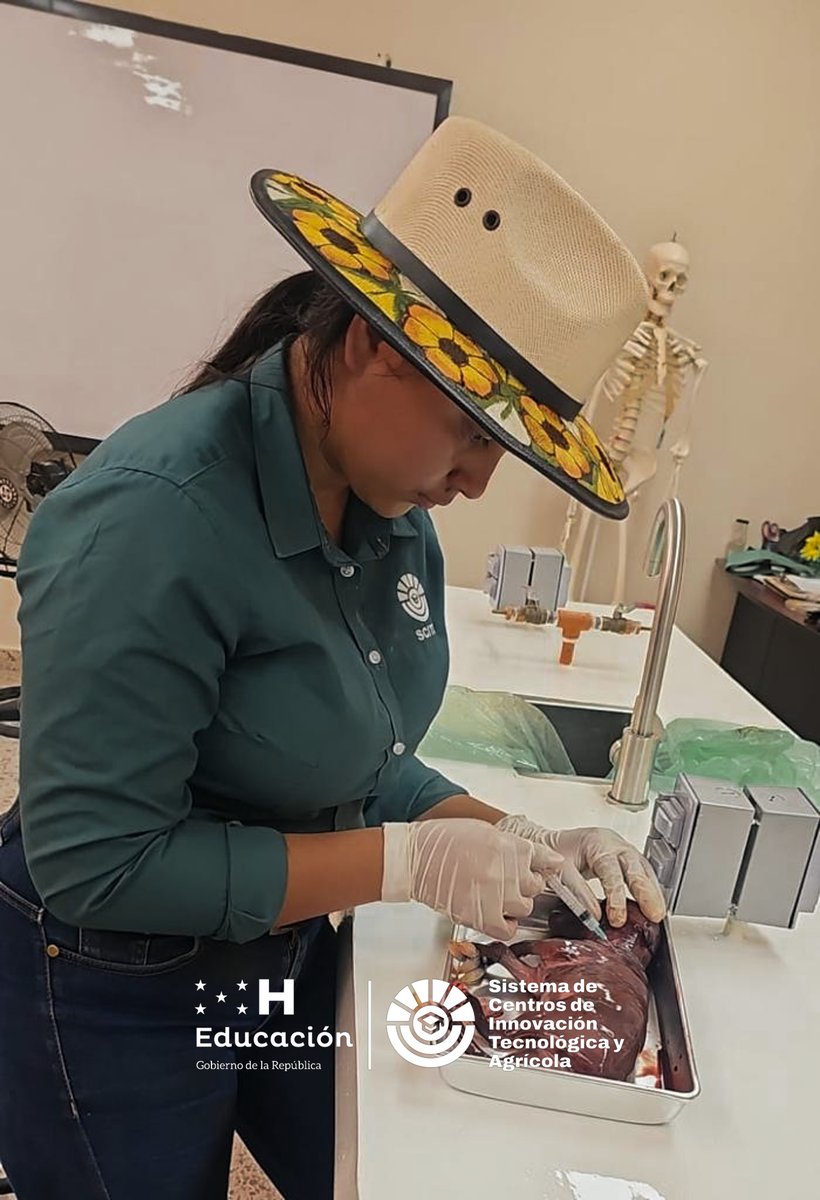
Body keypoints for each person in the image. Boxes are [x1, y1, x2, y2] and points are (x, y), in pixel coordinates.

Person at [0, 115, 666, 1199]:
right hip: (115, 975)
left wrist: (511, 837)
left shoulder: (379, 494)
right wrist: (406, 865)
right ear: (367, 342)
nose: (476, 486)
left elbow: (348, 745)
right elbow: (100, 863)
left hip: (281, 944)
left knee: (375, 1162)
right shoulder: (152, 522)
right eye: (472, 434)